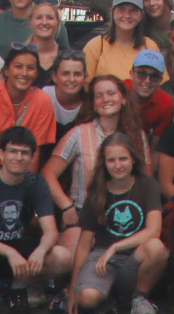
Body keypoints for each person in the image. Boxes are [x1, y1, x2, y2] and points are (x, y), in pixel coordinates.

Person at [0, 126, 68, 313]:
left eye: (25, 153)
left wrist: (41, 251)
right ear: (1, 154)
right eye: (13, 151)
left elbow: (51, 230)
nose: (18, 157)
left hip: (23, 251)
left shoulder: (37, 183)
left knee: (62, 257)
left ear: (32, 157)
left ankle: (19, 288)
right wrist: (10, 253)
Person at [67, 134, 170, 314]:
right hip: (103, 259)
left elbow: (154, 230)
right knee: (87, 298)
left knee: (156, 247)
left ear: (133, 160)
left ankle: (139, 298)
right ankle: (108, 301)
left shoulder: (147, 185)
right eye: (111, 160)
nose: (118, 165)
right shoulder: (97, 189)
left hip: (135, 257)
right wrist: (73, 288)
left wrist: (115, 247)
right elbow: (84, 245)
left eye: (123, 158)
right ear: (104, 163)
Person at [46, 75, 153, 232]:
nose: (105, 99)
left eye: (111, 93)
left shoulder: (138, 136)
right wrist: (66, 206)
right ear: (94, 104)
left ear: (123, 99)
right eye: (99, 95)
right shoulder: (78, 133)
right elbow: (48, 173)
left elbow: (147, 180)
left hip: (126, 214)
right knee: (64, 256)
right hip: (84, 213)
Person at [0, 46, 58, 171]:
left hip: (22, 170)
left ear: (36, 73)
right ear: (6, 70)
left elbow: (36, 150)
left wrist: (26, 187)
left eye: (31, 68)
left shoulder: (43, 101)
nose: (24, 73)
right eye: (18, 66)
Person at [84, 0, 164, 80]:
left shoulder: (150, 46)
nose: (127, 15)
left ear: (141, 15)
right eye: (122, 10)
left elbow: (159, 84)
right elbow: (86, 87)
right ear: (112, 12)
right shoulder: (96, 46)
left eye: (133, 11)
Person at [43, 51, 90, 156]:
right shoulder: (44, 97)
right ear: (55, 77)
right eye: (65, 74)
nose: (71, 79)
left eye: (77, 74)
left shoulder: (90, 104)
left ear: (85, 78)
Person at [126, 49, 174, 139]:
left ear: (160, 80)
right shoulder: (118, 91)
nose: (147, 81)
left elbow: (156, 144)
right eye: (142, 74)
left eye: (154, 76)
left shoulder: (166, 104)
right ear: (131, 74)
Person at [28, 0, 71, 86]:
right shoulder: (19, 55)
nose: (44, 22)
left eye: (50, 18)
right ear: (30, 22)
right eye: (39, 18)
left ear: (58, 23)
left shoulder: (67, 57)